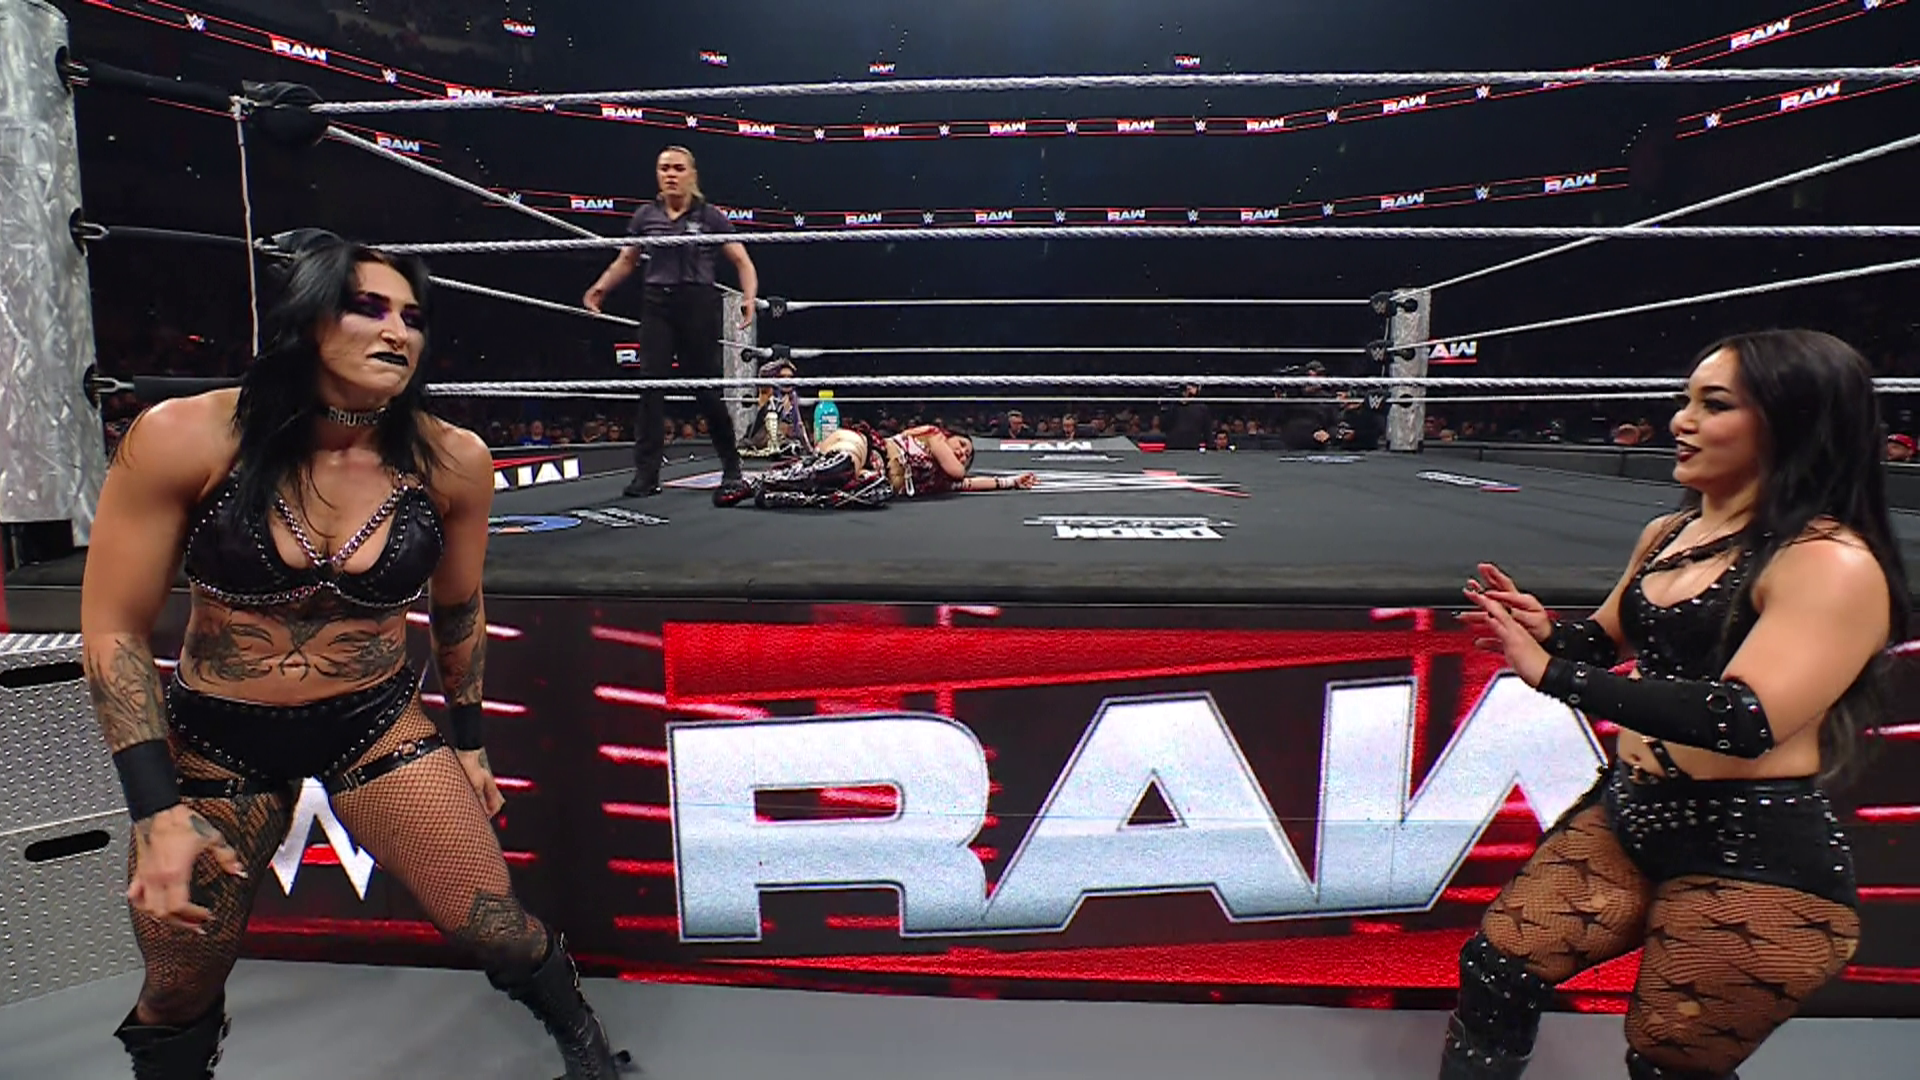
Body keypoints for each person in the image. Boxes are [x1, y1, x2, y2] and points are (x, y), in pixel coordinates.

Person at [81, 238, 629, 1078]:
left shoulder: (451, 459)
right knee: (179, 983)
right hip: (218, 734)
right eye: (367, 308)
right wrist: (155, 811)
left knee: (497, 927)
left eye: (412, 317)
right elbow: (114, 629)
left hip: (371, 721)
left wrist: (471, 743)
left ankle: (588, 1048)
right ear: (307, 319)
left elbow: (459, 606)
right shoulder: (184, 436)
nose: (396, 332)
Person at [1445, 329, 1909, 1080]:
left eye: (1714, 404)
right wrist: (1549, 633)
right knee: (1499, 968)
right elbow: (1605, 640)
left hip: (1753, 848)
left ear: (1791, 420)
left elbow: (1742, 720)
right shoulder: (1672, 533)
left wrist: (1552, 674)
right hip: (1632, 812)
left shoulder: (1830, 563)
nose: (1680, 422)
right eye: (1685, 400)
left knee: (1671, 1057)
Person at [583, 145, 757, 502]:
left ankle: (732, 467)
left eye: (678, 168)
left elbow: (742, 260)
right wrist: (600, 288)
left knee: (706, 389)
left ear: (692, 175)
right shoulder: (646, 216)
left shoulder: (709, 216)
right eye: (664, 168)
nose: (671, 174)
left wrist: (749, 297)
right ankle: (646, 475)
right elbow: (627, 259)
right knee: (651, 388)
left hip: (698, 305)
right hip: (657, 305)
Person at [719, 424, 1036, 509]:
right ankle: (756, 483)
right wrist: (958, 464)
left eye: (967, 454)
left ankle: (782, 497)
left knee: (877, 493)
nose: (963, 453)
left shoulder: (940, 479)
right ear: (951, 437)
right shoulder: (934, 435)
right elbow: (959, 473)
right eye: (963, 445)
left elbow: (968, 483)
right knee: (841, 466)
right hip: (862, 449)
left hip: (871, 477)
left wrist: (1010, 482)